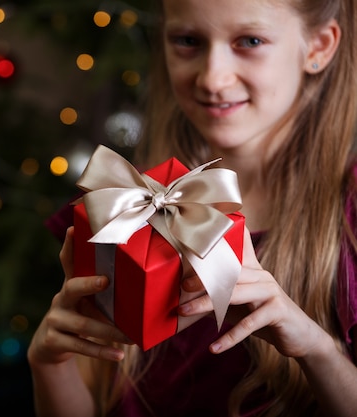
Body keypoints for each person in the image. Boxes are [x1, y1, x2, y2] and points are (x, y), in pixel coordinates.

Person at [27, 0, 357, 416]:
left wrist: (317, 349)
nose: (213, 78)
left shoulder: (350, 215)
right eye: (187, 41)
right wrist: (49, 365)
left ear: (318, 47)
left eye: (250, 41)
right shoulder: (125, 207)